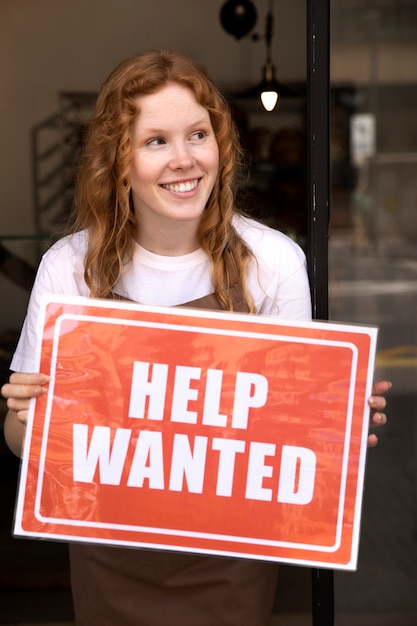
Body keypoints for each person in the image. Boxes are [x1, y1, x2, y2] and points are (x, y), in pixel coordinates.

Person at [1, 50, 390, 626]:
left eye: (198, 135)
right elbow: (18, 438)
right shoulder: (69, 267)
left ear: (221, 145)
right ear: (119, 159)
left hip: (231, 563)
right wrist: (30, 424)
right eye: (155, 140)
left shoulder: (273, 261)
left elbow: (289, 448)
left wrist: (332, 429)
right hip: (110, 555)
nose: (183, 160)